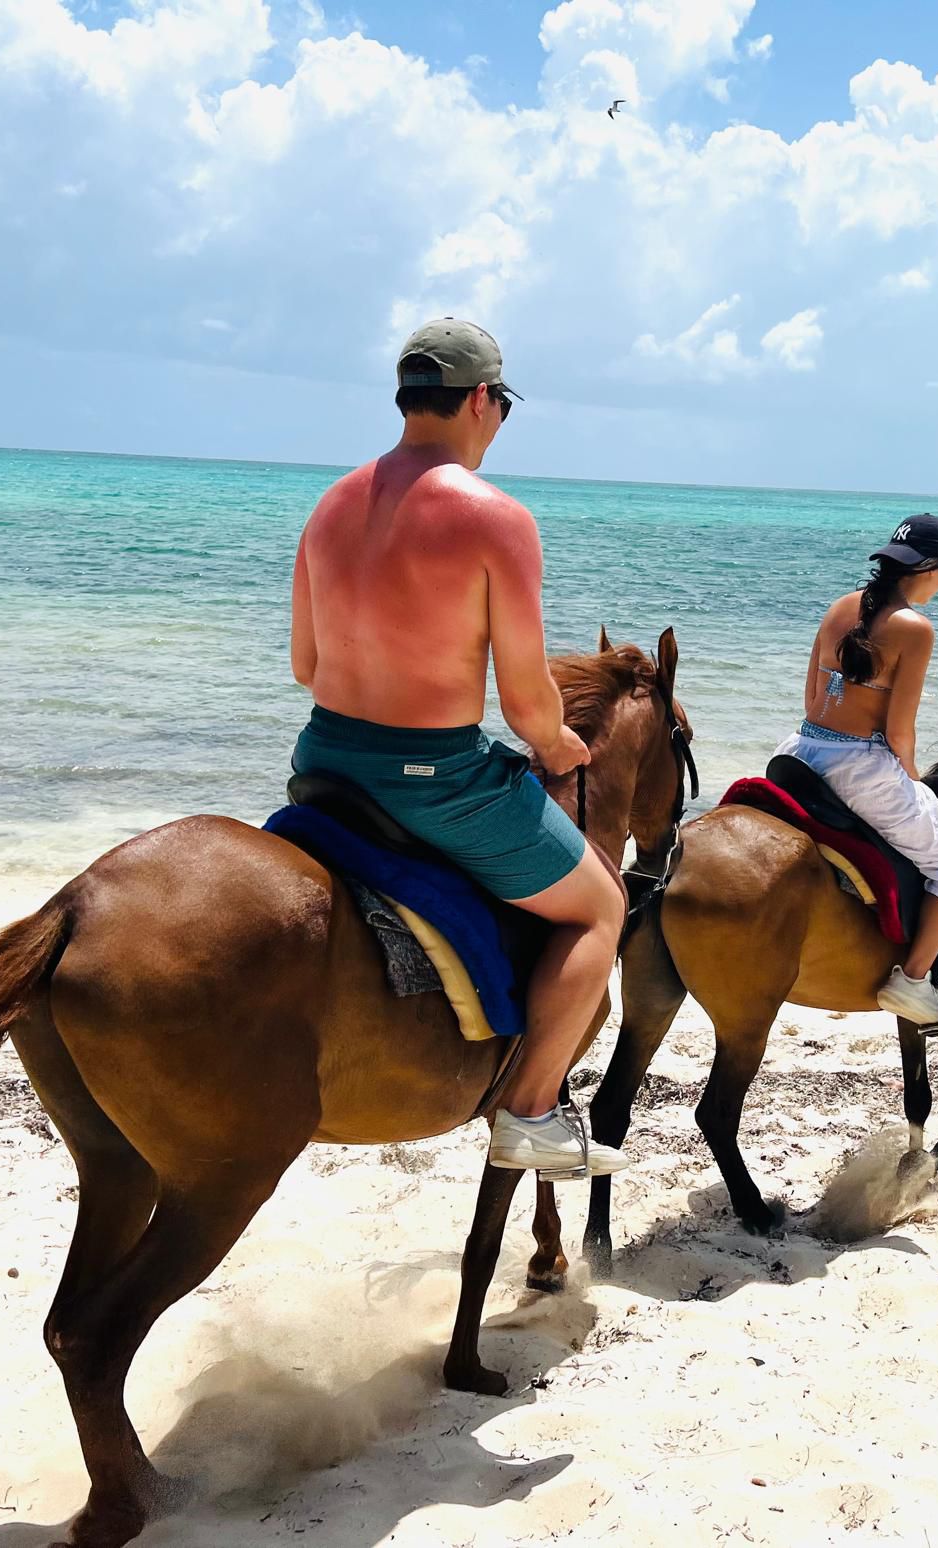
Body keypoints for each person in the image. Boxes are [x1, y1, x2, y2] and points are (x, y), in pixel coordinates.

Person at [287, 318, 629, 1177]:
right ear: (481, 400)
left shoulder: (330, 504)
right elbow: (524, 705)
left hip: (322, 763)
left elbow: (306, 665)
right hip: (431, 780)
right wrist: (559, 747)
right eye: (502, 407)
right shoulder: (495, 518)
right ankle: (532, 1109)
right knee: (600, 908)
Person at [775, 514, 938, 1031]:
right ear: (932, 569)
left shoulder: (842, 606)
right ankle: (911, 981)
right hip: (859, 766)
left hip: (800, 749)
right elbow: (899, 734)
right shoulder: (914, 629)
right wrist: (911, 777)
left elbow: (811, 698)